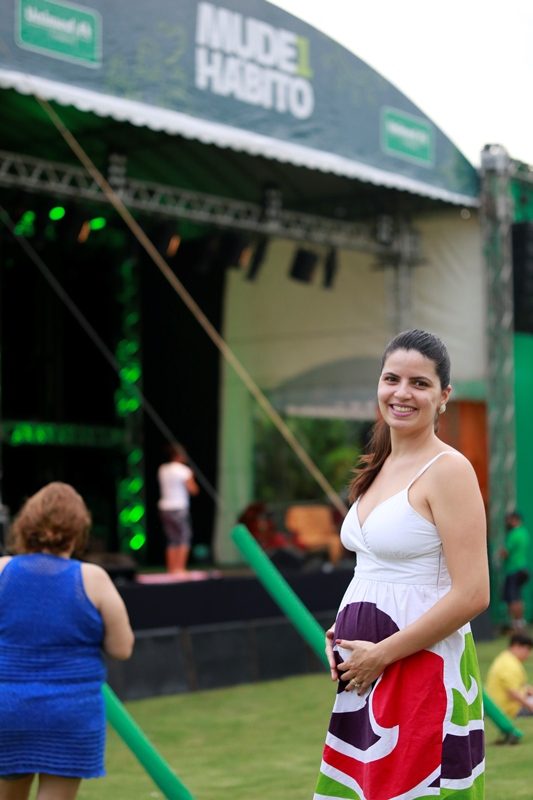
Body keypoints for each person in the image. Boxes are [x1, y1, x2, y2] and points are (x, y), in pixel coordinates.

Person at [314, 329, 489, 800]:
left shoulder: (449, 471)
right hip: (366, 672)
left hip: (420, 669)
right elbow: (374, 571)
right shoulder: (379, 463)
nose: (402, 393)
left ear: (444, 396)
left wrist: (382, 653)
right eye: (392, 378)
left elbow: (473, 593)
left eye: (420, 383)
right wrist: (343, 628)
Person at [0, 481, 134, 800]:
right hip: (70, 712)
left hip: (7, 707)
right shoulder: (93, 578)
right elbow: (122, 648)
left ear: (25, 526)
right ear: (77, 531)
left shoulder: (2, 572)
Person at [157, 443, 199, 574]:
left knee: (172, 539)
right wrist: (191, 476)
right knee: (184, 537)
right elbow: (193, 490)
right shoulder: (183, 470)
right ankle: (180, 569)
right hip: (179, 506)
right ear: (179, 455)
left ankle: (171, 569)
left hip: (165, 507)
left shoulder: (162, 469)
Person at [485, 633, 533, 724]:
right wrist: (530, 706)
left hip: (507, 705)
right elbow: (513, 694)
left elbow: (520, 686)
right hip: (509, 709)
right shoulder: (508, 665)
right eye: (528, 650)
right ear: (517, 646)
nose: (528, 654)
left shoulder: (507, 658)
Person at [500, 511, 530, 631]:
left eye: (510, 520)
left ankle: (516, 623)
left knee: (513, 598)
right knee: (517, 596)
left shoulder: (514, 534)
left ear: (515, 520)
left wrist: (500, 553)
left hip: (514, 570)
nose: (508, 523)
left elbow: (505, 553)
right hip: (522, 569)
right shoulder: (524, 533)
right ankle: (520, 621)